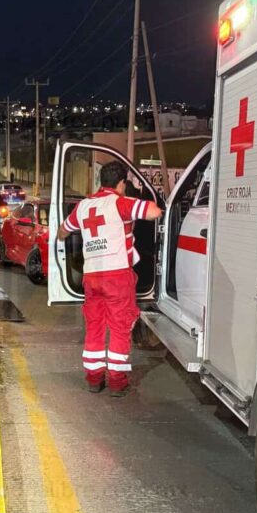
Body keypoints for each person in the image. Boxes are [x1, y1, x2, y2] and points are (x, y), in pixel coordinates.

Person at [56, 161, 163, 397]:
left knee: (94, 327)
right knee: (119, 327)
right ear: (121, 183)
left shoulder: (83, 206)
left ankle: (94, 379)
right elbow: (155, 212)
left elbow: (63, 232)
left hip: (92, 276)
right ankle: (117, 382)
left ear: (100, 181)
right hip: (117, 276)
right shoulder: (121, 203)